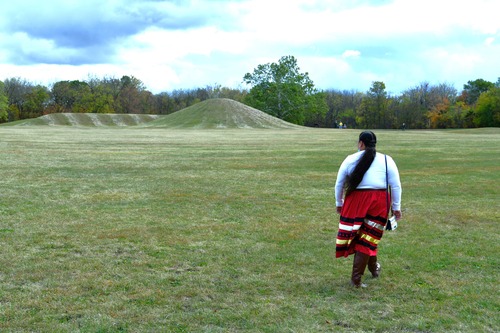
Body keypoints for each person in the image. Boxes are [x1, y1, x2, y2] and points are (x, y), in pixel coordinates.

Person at [334, 131, 402, 288]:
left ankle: (374, 269)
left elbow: (339, 184)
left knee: (365, 237)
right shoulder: (387, 160)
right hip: (378, 202)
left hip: (355, 201)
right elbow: (396, 185)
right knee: (369, 236)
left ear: (360, 144)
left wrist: (339, 202)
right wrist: (396, 207)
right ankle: (356, 279)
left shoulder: (350, 159)